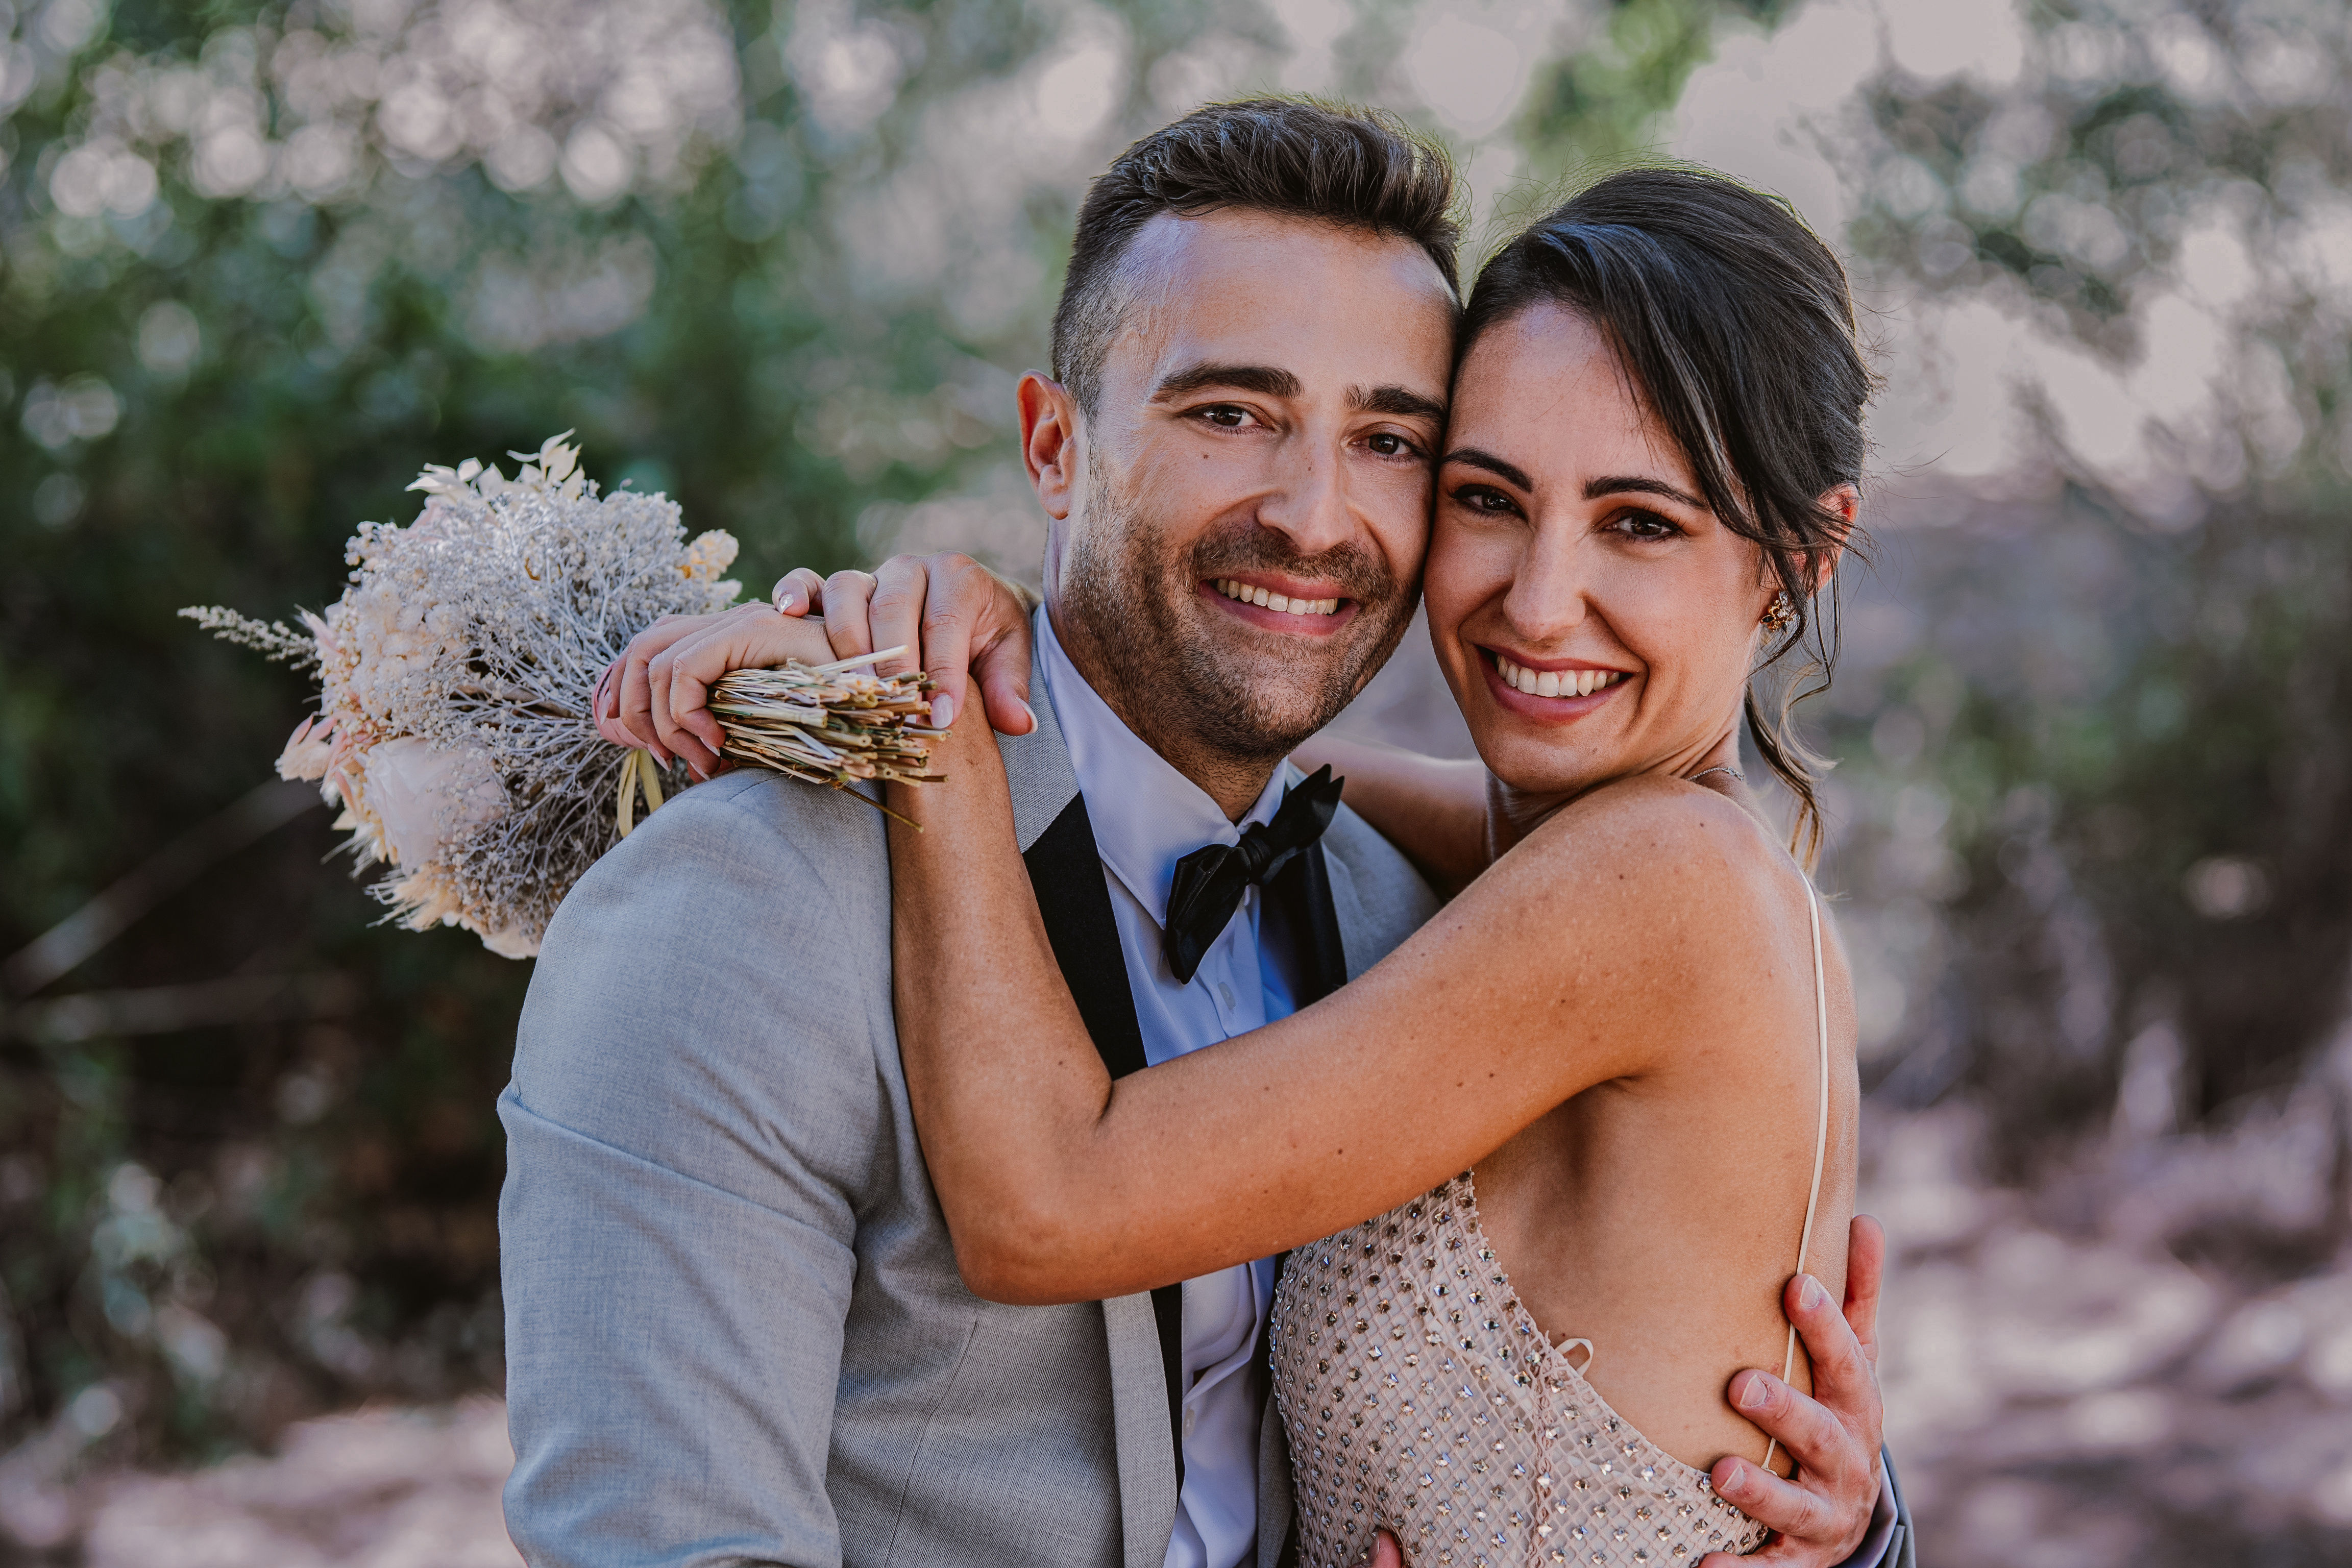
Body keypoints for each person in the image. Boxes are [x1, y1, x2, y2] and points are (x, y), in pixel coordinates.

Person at [510, 100, 1900, 1568]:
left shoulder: (1451, 916)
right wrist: (921, 670)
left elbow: (1052, 1204)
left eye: (1389, 441)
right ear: (1055, 446)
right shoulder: (742, 910)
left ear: (1792, 565)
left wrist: (1852, 1531)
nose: (1316, 516)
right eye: (1232, 414)